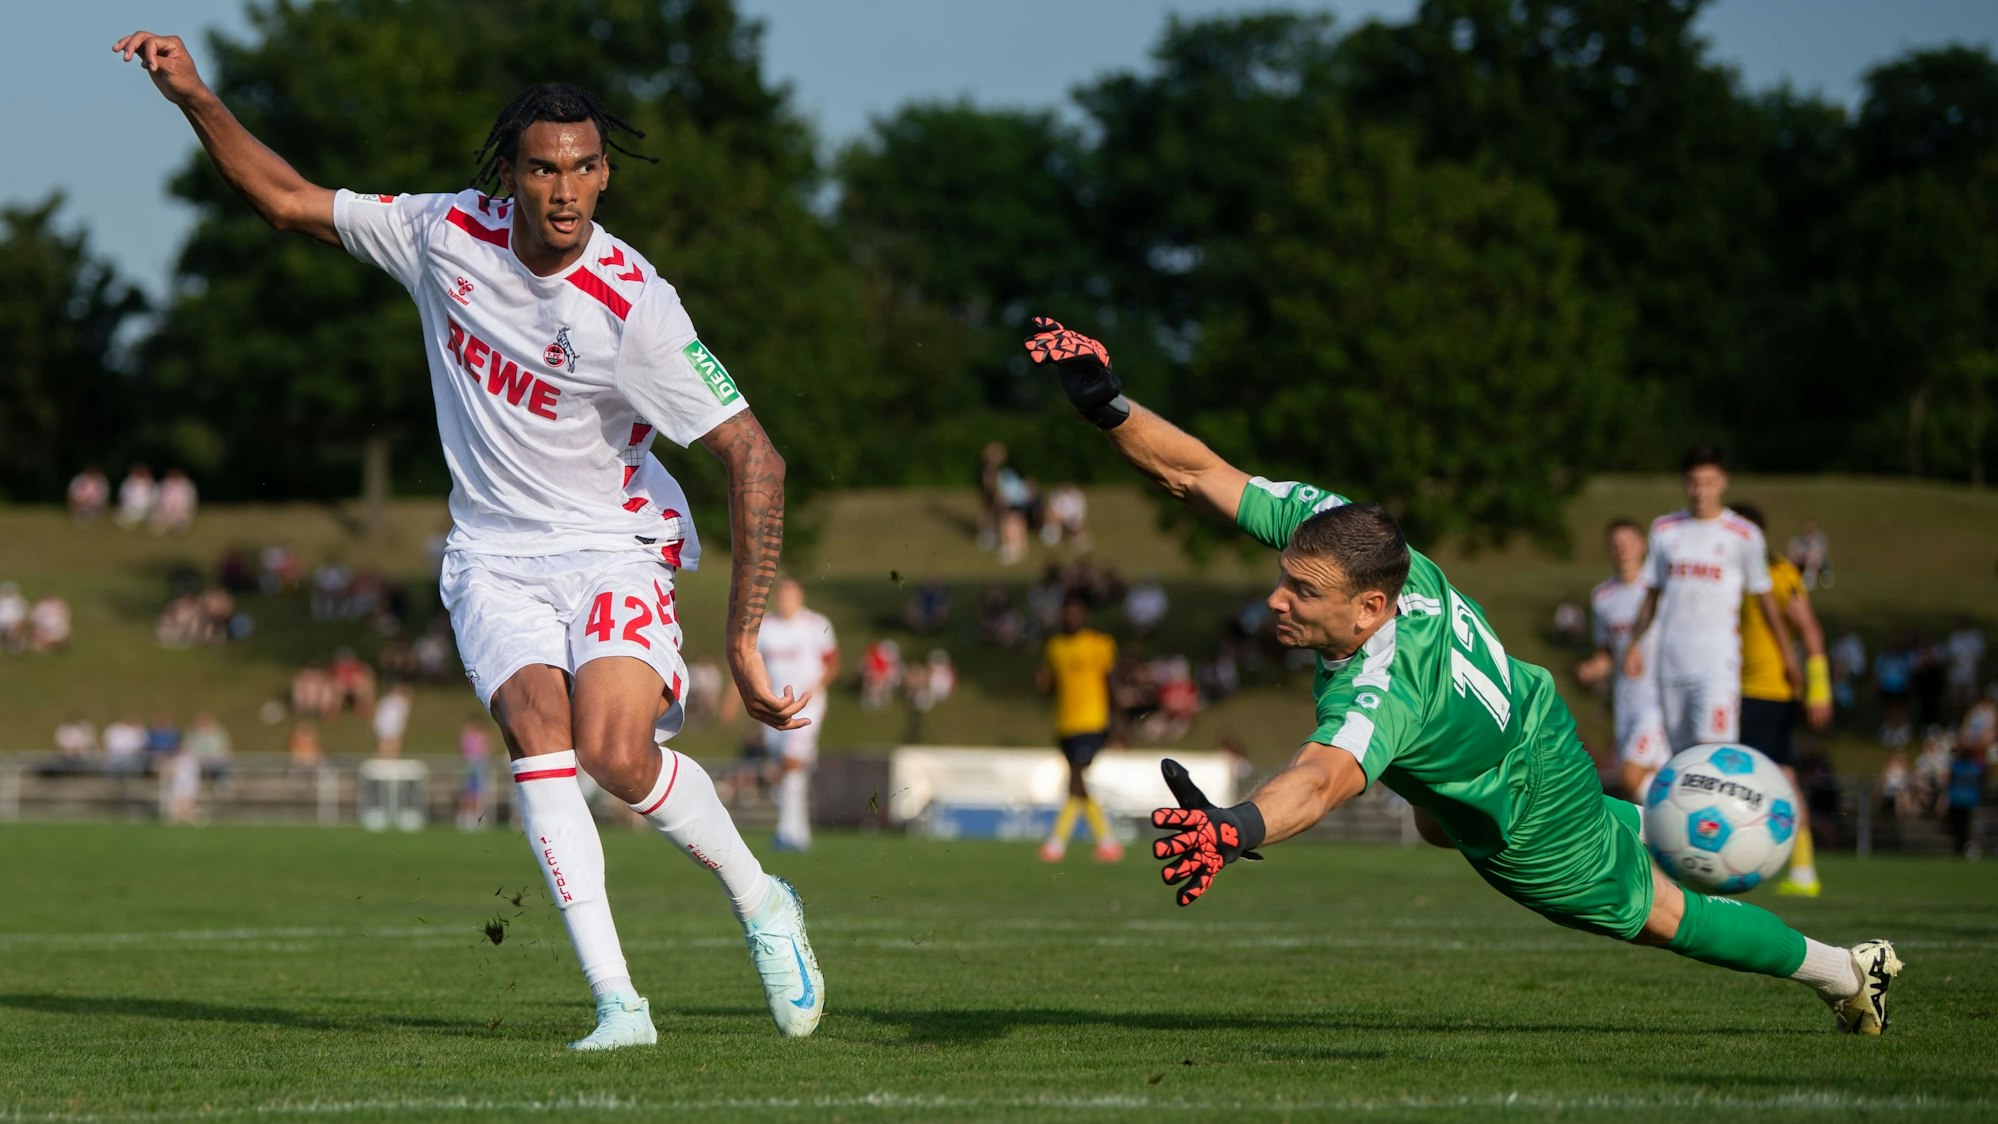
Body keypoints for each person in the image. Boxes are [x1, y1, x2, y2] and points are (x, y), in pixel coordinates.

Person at [118, 31, 821, 1048]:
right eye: (544, 167)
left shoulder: (638, 306)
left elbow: (756, 459)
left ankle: (763, 902)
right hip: (491, 555)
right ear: (510, 174)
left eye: (584, 167)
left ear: (606, 172)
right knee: (541, 740)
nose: (566, 189)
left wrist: (745, 635)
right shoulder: (443, 233)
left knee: (617, 754)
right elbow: (285, 198)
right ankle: (620, 1004)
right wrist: (194, 97)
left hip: (614, 544)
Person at [1024, 315, 1900, 1034]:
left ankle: (1845, 972)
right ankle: (1647, 821)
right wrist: (1109, 405)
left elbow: (1322, 778)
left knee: (1657, 917)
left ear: (1369, 610)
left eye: (1303, 591)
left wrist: (1235, 827)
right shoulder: (1343, 531)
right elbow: (1198, 471)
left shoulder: (1382, 685)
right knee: (1446, 822)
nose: (1277, 600)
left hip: (1519, 808)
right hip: (1525, 711)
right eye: (1284, 575)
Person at [1624, 446, 1799, 752]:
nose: (1700, 491)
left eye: (1708, 481)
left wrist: (1787, 654)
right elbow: (1652, 595)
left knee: (1713, 755)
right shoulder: (1664, 530)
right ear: (1684, 483)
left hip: (1717, 664)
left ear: (1723, 482)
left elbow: (1765, 600)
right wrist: (1632, 645)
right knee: (1681, 759)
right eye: (1693, 482)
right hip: (1672, 661)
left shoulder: (1743, 535)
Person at [1730, 504, 1834, 898]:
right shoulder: (1727, 574)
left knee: (1776, 777)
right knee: (1774, 776)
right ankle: (1794, 867)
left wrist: (1819, 688)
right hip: (1734, 691)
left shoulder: (1777, 573)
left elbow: (1809, 629)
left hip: (1767, 691)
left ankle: (1802, 868)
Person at [1576, 520, 1671, 801]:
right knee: (1648, 778)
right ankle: (1670, 834)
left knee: (1631, 776)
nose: (1623, 550)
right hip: (1626, 703)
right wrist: (1592, 669)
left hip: (1657, 701)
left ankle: (1680, 821)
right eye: (1616, 545)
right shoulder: (1603, 596)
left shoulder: (1658, 591)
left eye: (1629, 542)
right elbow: (1607, 653)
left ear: (1642, 545)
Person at [1036, 593, 1123, 863]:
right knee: (1077, 783)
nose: (1070, 617)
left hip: (1092, 720)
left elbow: (1111, 682)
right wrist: (1043, 684)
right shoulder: (1055, 647)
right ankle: (1106, 842)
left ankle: (1057, 843)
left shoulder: (1099, 643)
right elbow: (1052, 686)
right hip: (1065, 722)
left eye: (1075, 612)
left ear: (1083, 615)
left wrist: (1119, 720)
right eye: (1067, 613)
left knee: (1076, 778)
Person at [755, 578, 839, 852]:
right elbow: (753, 665)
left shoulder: (815, 624)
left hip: (807, 705)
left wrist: (816, 690)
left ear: (800, 596)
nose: (785, 599)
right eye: (782, 594)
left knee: (790, 762)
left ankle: (786, 831)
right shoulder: (765, 627)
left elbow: (832, 663)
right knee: (793, 772)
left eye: (791, 594)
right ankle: (797, 835)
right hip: (774, 706)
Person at [373, 683, 414, 757]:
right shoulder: (397, 702)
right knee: (387, 747)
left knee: (390, 747)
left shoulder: (389, 701)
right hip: (388, 728)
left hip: (388, 728)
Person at [116, 464, 155, 529]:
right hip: (129, 507)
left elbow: (153, 497)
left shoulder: (149, 482)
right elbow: (123, 494)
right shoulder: (128, 481)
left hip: (145, 508)